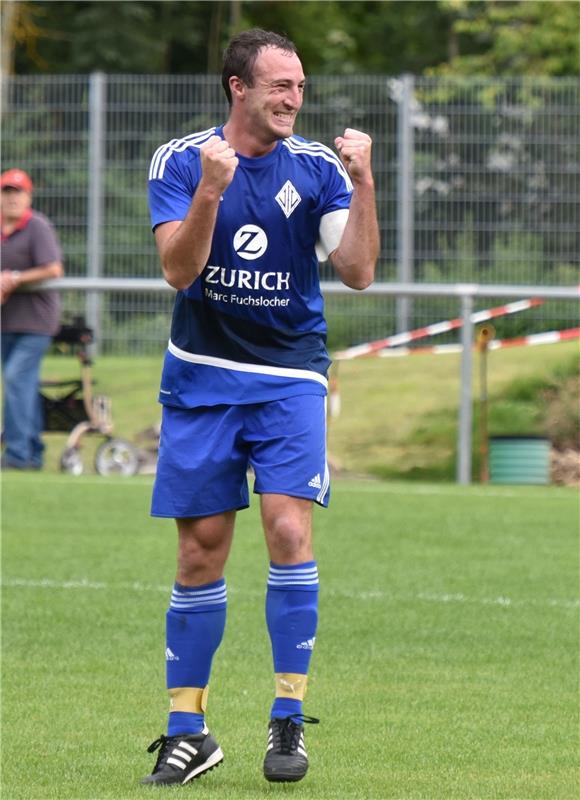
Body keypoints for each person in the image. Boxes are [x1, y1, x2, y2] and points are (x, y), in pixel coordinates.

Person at [144, 28, 379, 787]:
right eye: (280, 85)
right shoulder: (181, 161)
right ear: (237, 87)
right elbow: (180, 272)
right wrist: (213, 188)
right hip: (203, 378)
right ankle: (189, 730)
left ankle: (287, 720)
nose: (294, 99)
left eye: (301, 86)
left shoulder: (315, 170)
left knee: (286, 524)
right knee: (199, 548)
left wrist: (365, 181)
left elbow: (359, 271)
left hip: (288, 379)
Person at [1, 168, 64, 470]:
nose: (11, 199)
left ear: (29, 196)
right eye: (6, 192)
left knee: (16, 379)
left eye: (17, 192)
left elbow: (53, 269)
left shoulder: (37, 227)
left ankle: (17, 454)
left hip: (36, 322)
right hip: (6, 322)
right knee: (22, 385)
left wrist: (14, 278)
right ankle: (33, 452)